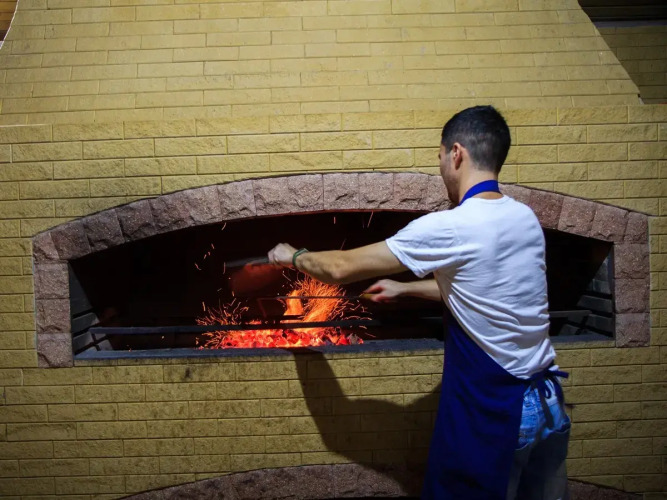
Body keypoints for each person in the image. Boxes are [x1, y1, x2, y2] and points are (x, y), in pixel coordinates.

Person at [268, 105, 570, 500]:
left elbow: (341, 268)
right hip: (549, 407)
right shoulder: (523, 218)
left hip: (498, 413)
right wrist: (405, 288)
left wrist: (292, 255)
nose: (440, 167)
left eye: (440, 157)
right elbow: (483, 292)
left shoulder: (452, 226)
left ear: (456, 154)